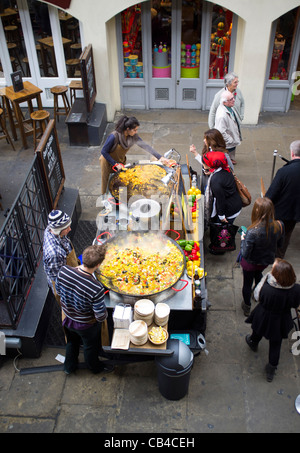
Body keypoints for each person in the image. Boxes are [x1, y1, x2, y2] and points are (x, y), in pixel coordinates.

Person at [55, 244, 112, 375]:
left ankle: (68, 367)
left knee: (71, 342)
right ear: (98, 265)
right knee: (90, 347)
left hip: (68, 318)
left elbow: (58, 291)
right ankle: (94, 367)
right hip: (86, 325)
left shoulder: (63, 271)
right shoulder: (96, 288)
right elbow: (100, 316)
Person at [245, 258, 300, 382]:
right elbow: (295, 304)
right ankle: (271, 369)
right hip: (281, 319)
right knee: (276, 344)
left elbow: (258, 298)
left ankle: (253, 342)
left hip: (264, 315)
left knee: (258, 330)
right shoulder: (296, 289)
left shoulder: (267, 289)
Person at [99, 115, 171, 194]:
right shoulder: (114, 136)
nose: (136, 132)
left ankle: (120, 198)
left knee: (122, 181)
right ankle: (104, 199)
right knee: (106, 180)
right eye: (135, 130)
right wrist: (115, 164)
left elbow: (145, 146)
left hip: (120, 160)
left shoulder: (132, 136)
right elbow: (103, 151)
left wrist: (160, 157)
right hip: (107, 160)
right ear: (128, 129)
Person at [239, 197, 284, 316]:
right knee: (259, 275)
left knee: (247, 283)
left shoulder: (252, 232)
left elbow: (245, 253)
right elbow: (280, 245)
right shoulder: (279, 225)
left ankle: (247, 306)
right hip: (265, 261)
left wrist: (243, 239)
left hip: (250, 263)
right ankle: (258, 293)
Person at [265, 140, 300, 258]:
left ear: (292, 153)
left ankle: (270, 253)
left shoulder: (284, 172)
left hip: (281, 211)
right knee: (287, 234)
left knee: (275, 232)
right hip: (295, 212)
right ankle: (279, 256)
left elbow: (272, 194)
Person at [202, 151, 242, 253]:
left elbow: (221, 200)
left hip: (228, 208)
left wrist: (221, 216)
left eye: (204, 163)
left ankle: (220, 248)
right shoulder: (225, 169)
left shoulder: (216, 180)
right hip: (234, 203)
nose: (203, 164)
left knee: (223, 230)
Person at [43, 210, 79, 302]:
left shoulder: (51, 228)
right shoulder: (54, 254)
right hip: (65, 285)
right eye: (67, 228)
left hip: (70, 270)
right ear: (58, 230)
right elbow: (60, 279)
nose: (70, 229)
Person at [214, 90, 242, 165]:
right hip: (228, 142)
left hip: (232, 138)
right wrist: (231, 140)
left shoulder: (229, 107)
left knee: (232, 150)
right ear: (224, 102)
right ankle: (227, 163)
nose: (234, 100)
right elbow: (221, 132)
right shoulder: (222, 116)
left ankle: (230, 159)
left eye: (233, 97)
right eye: (231, 99)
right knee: (226, 153)